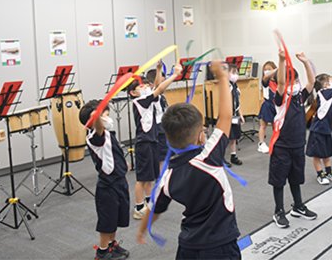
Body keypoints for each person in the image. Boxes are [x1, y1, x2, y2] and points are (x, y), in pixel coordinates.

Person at [141, 59, 241, 259]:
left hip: (187, 246)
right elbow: (226, 117)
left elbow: (153, 209)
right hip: (220, 245)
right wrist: (222, 77)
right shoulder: (208, 157)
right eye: (203, 129)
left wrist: (142, 230)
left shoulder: (167, 178)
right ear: (200, 136)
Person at [264, 49, 318, 229]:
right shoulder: (280, 98)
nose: (295, 84)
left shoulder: (300, 97)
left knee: (296, 178)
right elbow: (280, 82)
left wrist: (305, 62)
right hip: (281, 146)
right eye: (291, 81)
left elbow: (311, 81)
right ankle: (278, 211)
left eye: (296, 80)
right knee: (279, 180)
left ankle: (298, 206)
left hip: (297, 144)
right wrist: (280, 60)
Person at [81, 97, 133, 260]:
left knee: (117, 217)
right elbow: (98, 130)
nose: (108, 118)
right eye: (105, 116)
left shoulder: (109, 133)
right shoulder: (94, 137)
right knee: (107, 221)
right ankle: (102, 252)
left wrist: (123, 164)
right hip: (107, 187)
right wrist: (97, 118)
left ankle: (112, 245)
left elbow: (113, 151)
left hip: (120, 181)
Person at [131, 65, 181, 221]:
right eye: (141, 86)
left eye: (146, 84)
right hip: (143, 143)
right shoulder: (140, 101)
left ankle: (148, 201)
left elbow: (157, 87)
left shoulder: (148, 100)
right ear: (133, 92)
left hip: (151, 140)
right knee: (142, 178)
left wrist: (159, 70)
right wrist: (175, 75)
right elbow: (159, 89)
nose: (145, 86)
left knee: (150, 176)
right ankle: (139, 207)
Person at [257, 60, 277, 153]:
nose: (267, 71)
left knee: (275, 126)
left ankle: (276, 142)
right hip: (267, 105)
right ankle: (261, 143)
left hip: (276, 106)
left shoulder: (278, 81)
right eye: (265, 70)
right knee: (263, 126)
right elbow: (266, 77)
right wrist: (277, 69)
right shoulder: (265, 81)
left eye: (269, 69)